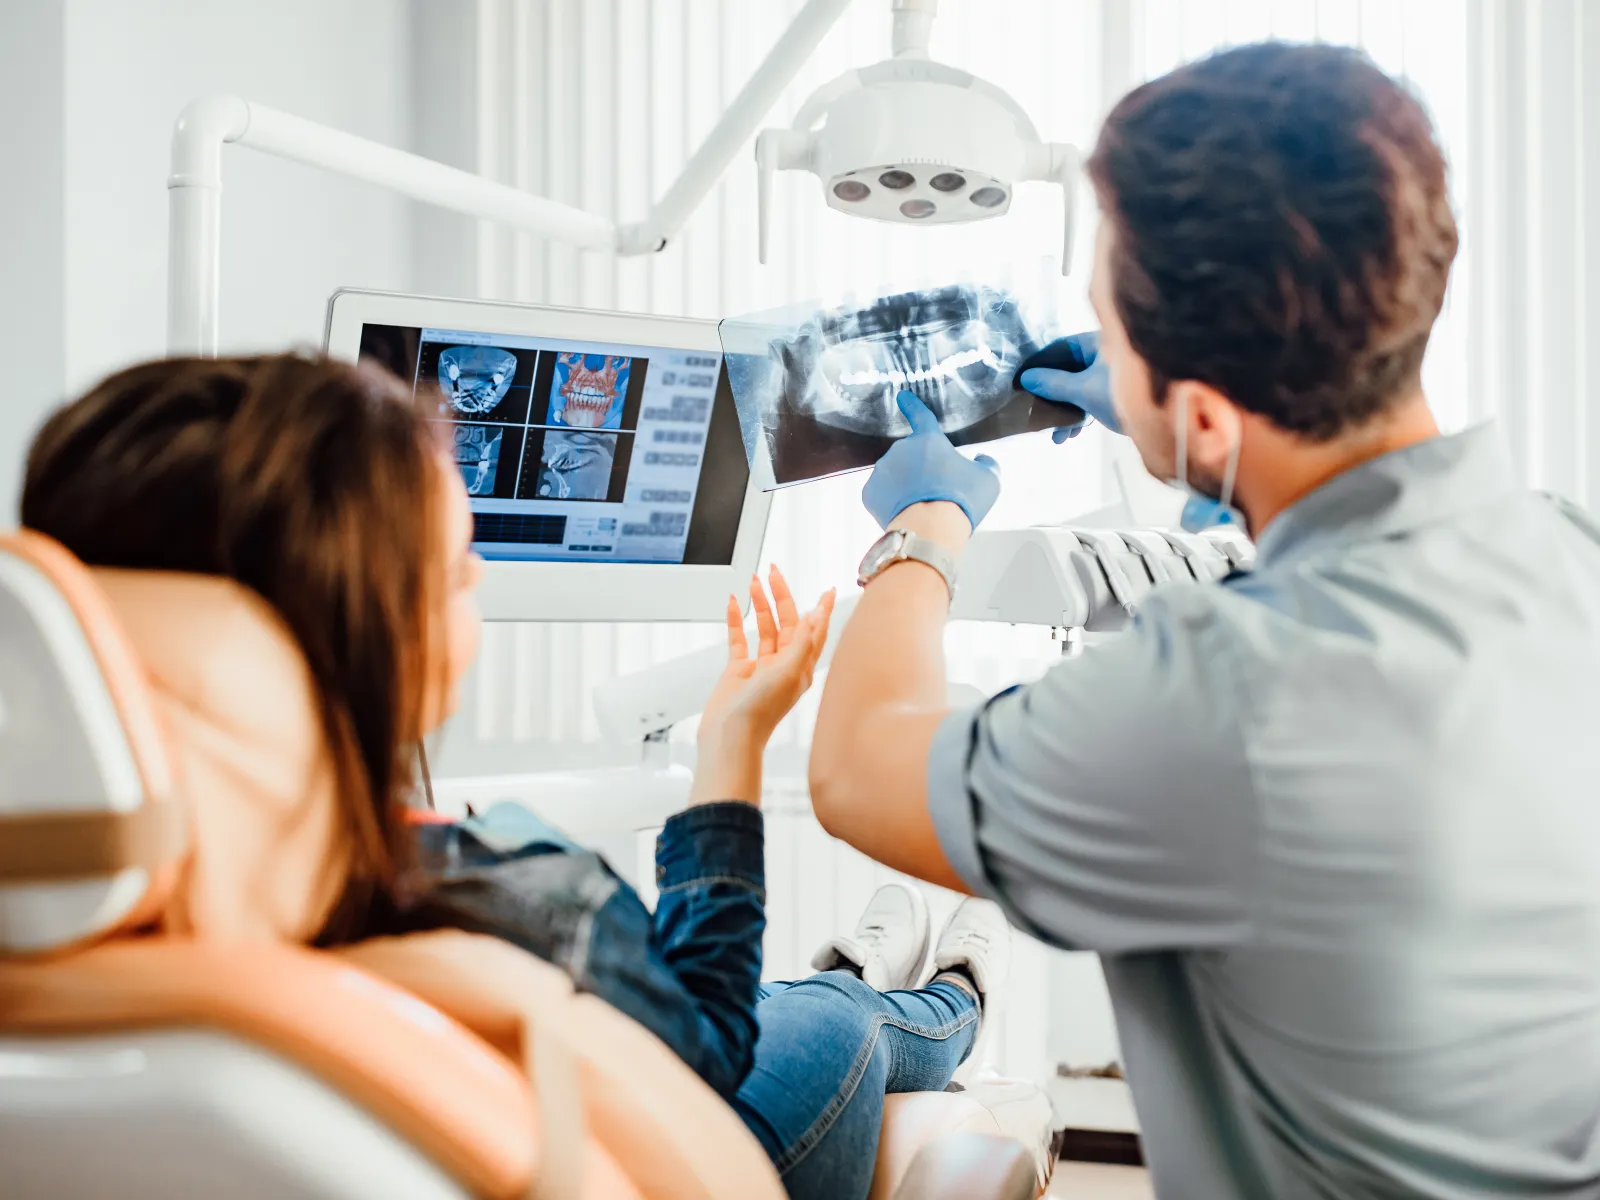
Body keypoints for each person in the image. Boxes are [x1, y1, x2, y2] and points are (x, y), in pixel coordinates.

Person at [808, 41, 1600, 1200]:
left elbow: (855, 769)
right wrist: (1177, 431)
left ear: (1208, 414)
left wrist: (922, 531)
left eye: (1110, 328)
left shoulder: (1220, 701)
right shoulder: (1565, 553)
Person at [18, 351, 1018, 1200]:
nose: (482, 577)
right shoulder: (519, 908)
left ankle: (876, 966)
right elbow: (712, 1042)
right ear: (376, 636)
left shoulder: (72, 948)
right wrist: (736, 742)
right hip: (701, 1125)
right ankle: (951, 996)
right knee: (828, 1017)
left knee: (804, 997)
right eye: (457, 565)